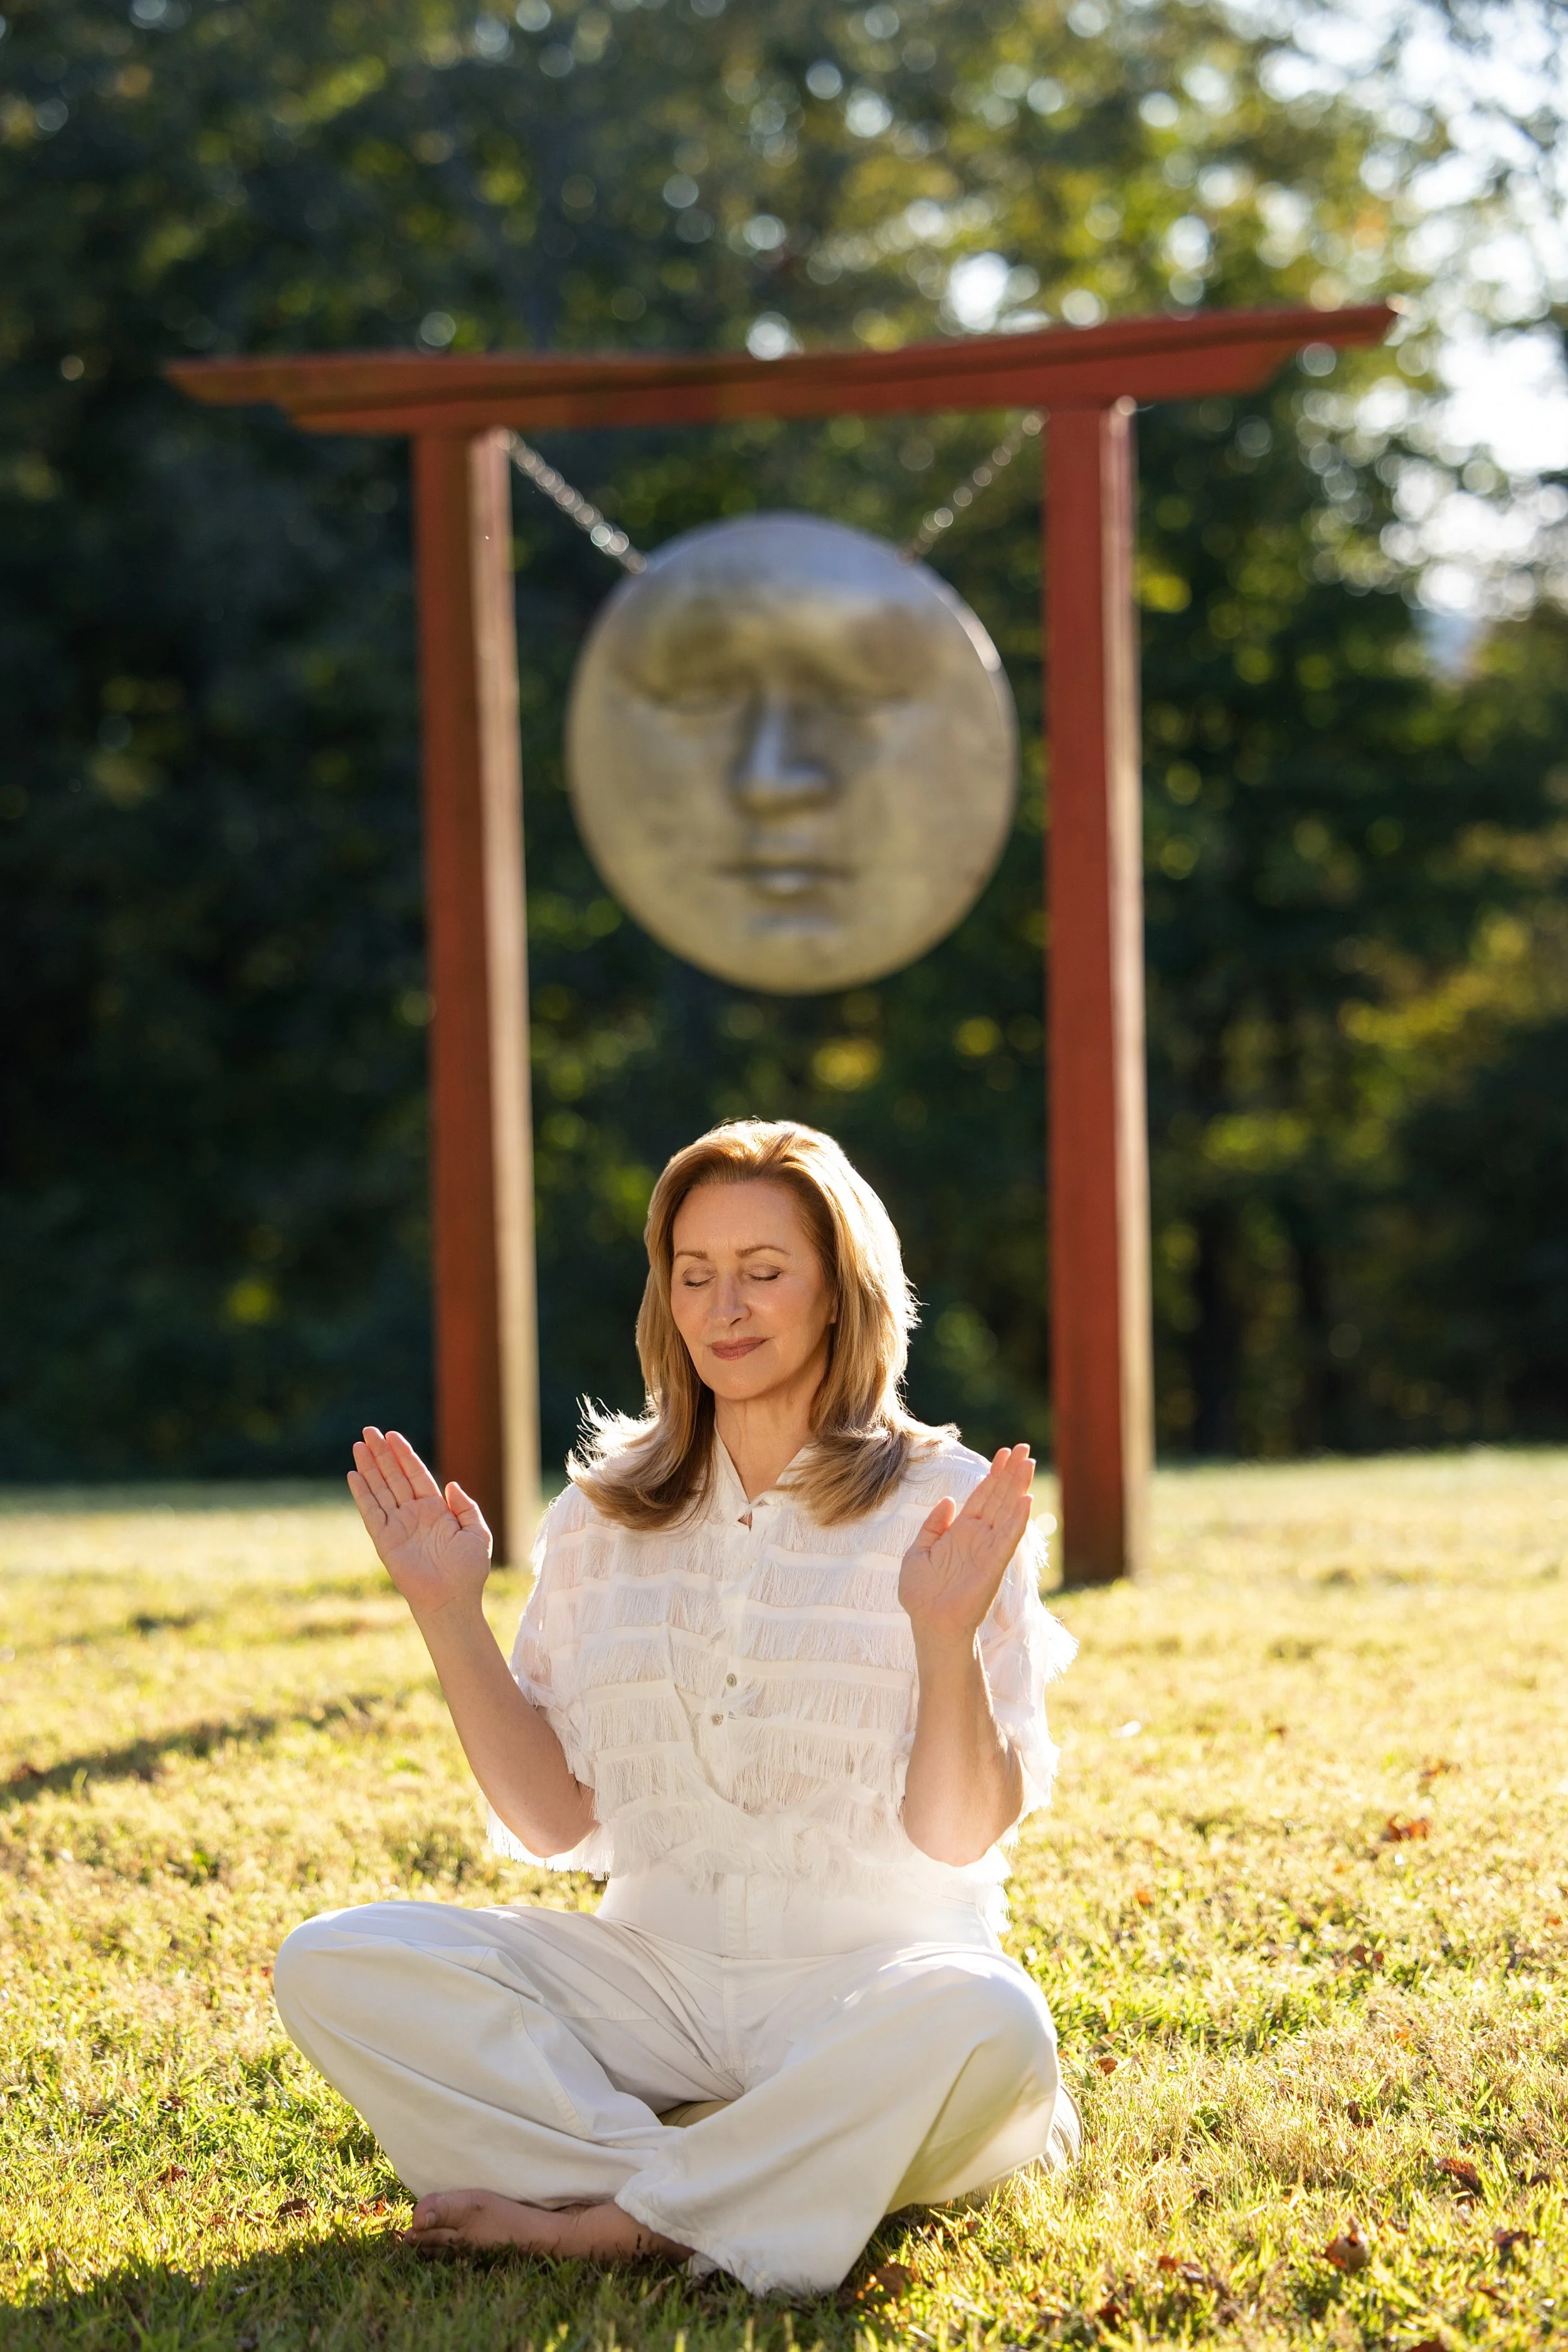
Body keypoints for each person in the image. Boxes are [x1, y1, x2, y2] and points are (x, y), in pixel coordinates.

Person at [273, 1118, 1079, 2299]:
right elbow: (553, 1824)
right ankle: (738, 2178)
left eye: (764, 1272)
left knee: (991, 2020)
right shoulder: (602, 1516)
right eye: (694, 1275)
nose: (725, 1307)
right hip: (650, 1973)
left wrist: (944, 1639)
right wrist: (448, 1611)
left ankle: (617, 2213)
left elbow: (960, 1837)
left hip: (866, 1979)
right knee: (337, 1960)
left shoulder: (951, 1503)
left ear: (841, 1294)